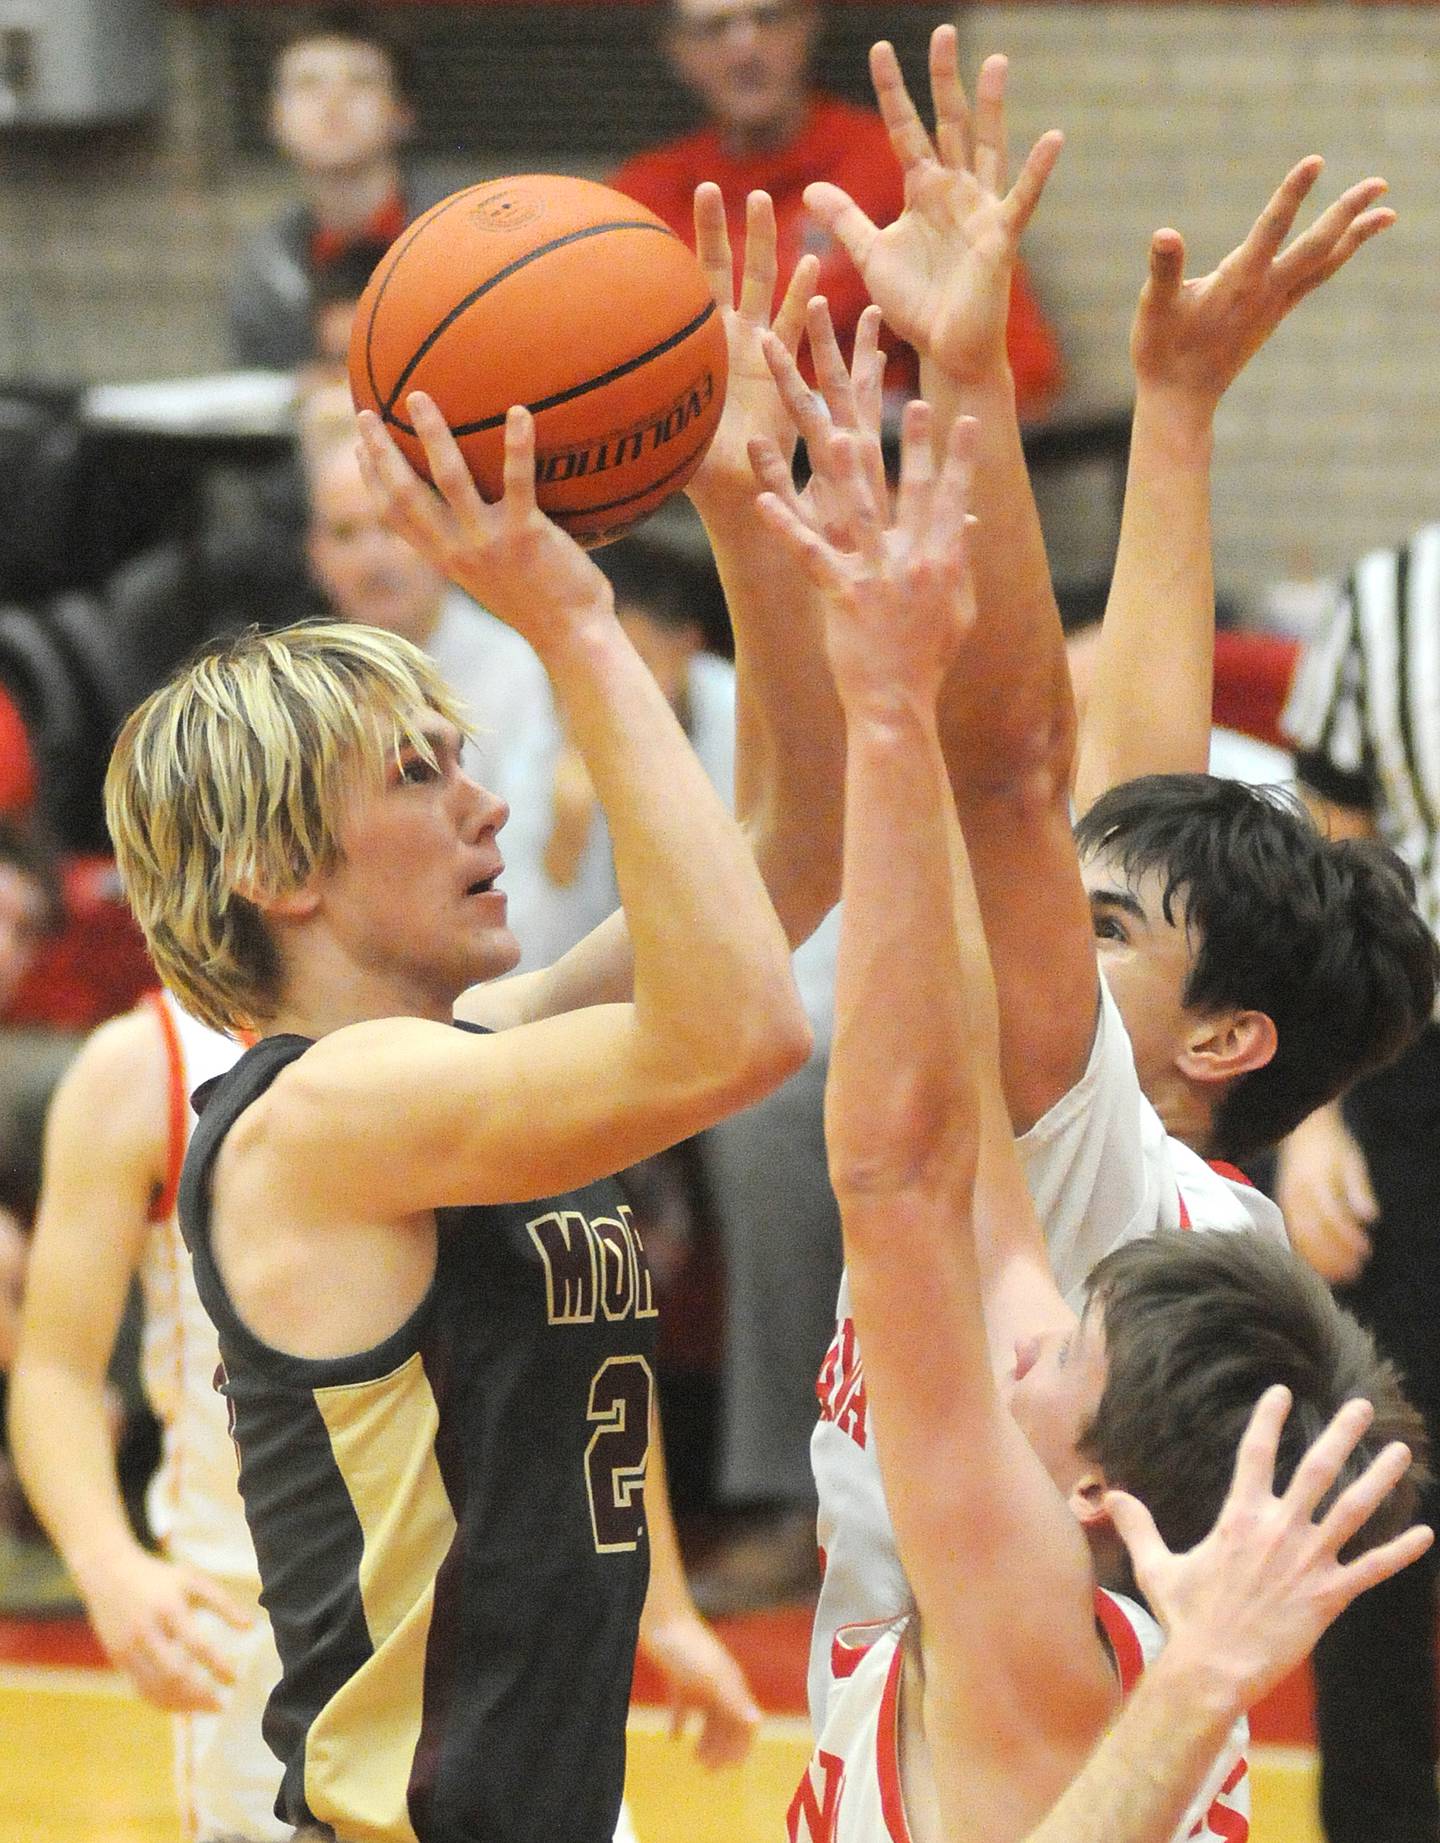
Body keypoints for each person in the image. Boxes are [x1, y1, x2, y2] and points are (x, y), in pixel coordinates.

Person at [741, 32, 1436, 1725]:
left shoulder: (1088, 1154)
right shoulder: (1170, 1181)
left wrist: (967, 384)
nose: (1050, 911)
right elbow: (1120, 793)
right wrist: (1179, 414)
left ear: (1226, 1042)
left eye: (1105, 925)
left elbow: (1025, 780)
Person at [100, 384, 810, 1843]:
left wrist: (742, 513)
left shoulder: (457, 1051)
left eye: (468, 757)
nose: (486, 805)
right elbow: (743, 1026)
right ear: (280, 869)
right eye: (419, 774)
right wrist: (576, 627)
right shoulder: (324, 1115)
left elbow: (794, 855)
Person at [1277, 534, 1440, 1843]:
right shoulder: (1385, 594)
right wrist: (1316, 1108)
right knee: (1377, 1486)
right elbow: (1332, 878)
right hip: (1410, 1073)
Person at [609, 0, 1063, 416]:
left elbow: (1025, 368)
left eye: (768, 18)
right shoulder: (641, 197)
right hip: (699, 479)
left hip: (883, 473)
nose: (745, 48)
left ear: (808, 24)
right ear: (677, 50)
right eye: (715, 28)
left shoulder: (900, 168)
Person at [297, 384, 552, 795]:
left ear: (443, 530)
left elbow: (523, 847)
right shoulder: (296, 687)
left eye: (392, 528)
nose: (372, 559)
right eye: (345, 534)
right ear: (314, 553)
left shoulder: (516, 670)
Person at [228, 7, 430, 373]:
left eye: (361, 83)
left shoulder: (455, 241)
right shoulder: (266, 261)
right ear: (275, 116)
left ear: (402, 112)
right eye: (308, 84)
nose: (333, 104)